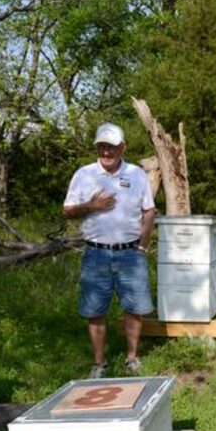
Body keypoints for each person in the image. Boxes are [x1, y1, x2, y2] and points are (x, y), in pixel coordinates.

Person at [63, 123, 156, 378]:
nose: (106, 152)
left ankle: (132, 358)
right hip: (96, 253)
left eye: (111, 147)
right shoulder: (84, 174)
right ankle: (99, 363)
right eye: (102, 146)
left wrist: (143, 245)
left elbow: (149, 211)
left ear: (122, 147)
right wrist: (91, 205)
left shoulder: (137, 174)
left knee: (134, 307)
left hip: (130, 254)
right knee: (95, 310)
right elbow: (68, 210)